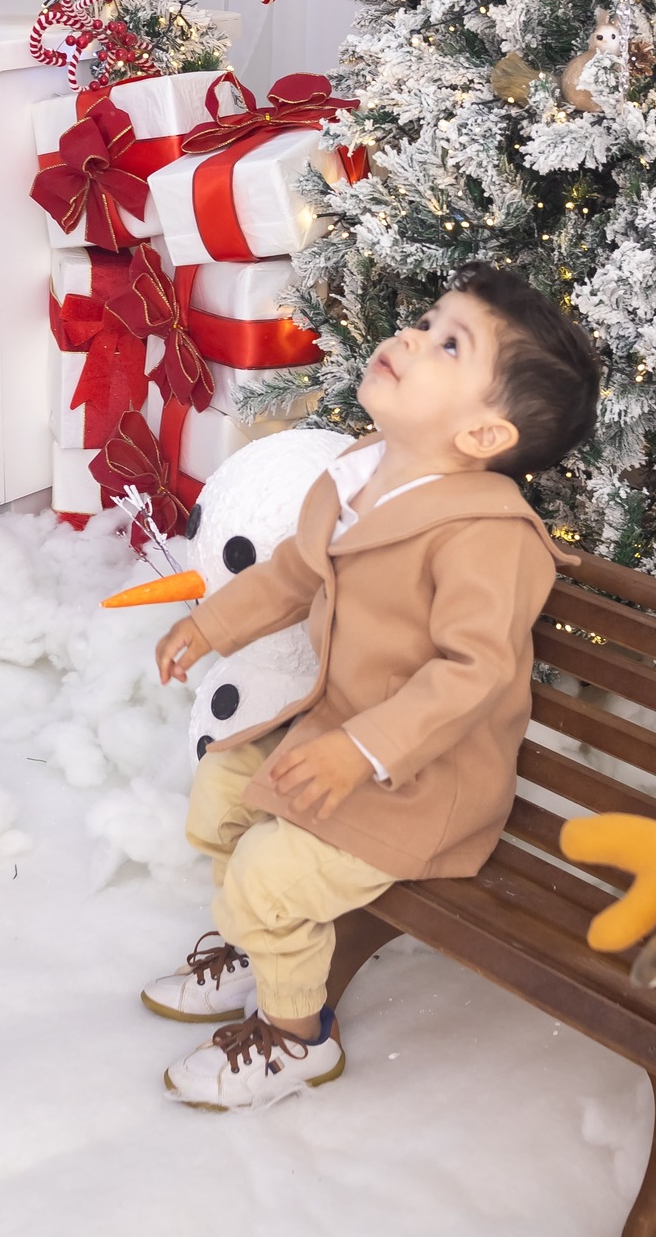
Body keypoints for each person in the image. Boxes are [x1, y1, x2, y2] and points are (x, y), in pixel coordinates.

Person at [144, 261, 600, 1109]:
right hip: (333, 731)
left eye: (448, 345)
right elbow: (291, 573)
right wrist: (211, 625)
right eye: (427, 321)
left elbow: (476, 673)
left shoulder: (487, 537)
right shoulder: (361, 473)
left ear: (484, 436)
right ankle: (255, 940)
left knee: (270, 873)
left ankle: (296, 1035)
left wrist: (363, 749)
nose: (411, 338)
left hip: (421, 780)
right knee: (219, 795)